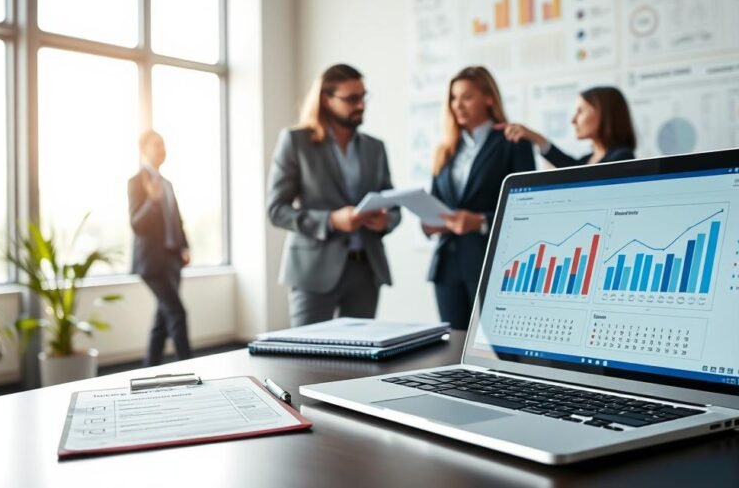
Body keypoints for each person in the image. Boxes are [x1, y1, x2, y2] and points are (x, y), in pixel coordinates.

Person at [267, 64, 401, 326]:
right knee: (308, 360)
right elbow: (276, 210)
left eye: (363, 97)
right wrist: (331, 220)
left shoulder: (375, 148)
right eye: (352, 98)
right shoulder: (296, 142)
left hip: (365, 271)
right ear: (327, 100)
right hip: (312, 271)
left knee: (360, 361)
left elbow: (393, 205)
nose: (361, 105)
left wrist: (387, 221)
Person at [423, 66, 536, 330]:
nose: (457, 105)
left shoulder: (513, 143)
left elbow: (527, 209)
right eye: (453, 98)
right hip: (447, 267)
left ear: (488, 98)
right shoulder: (446, 150)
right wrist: (429, 223)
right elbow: (436, 201)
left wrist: (481, 222)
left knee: (496, 348)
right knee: (452, 349)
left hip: (492, 264)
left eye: (466, 97)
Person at [128, 130, 192, 366]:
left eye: (164, 144)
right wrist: (152, 202)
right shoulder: (136, 182)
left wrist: (184, 246)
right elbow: (136, 224)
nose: (163, 149)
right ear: (143, 148)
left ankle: (148, 368)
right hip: (152, 264)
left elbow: (177, 219)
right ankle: (190, 367)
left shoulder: (167, 183)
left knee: (162, 321)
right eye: (157, 144)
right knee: (177, 313)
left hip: (173, 260)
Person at [497, 86, 636, 166]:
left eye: (580, 111)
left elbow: (581, 177)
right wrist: (537, 139)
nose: (573, 120)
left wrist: (538, 139)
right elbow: (573, 169)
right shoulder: (588, 159)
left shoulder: (622, 157)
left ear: (605, 114)